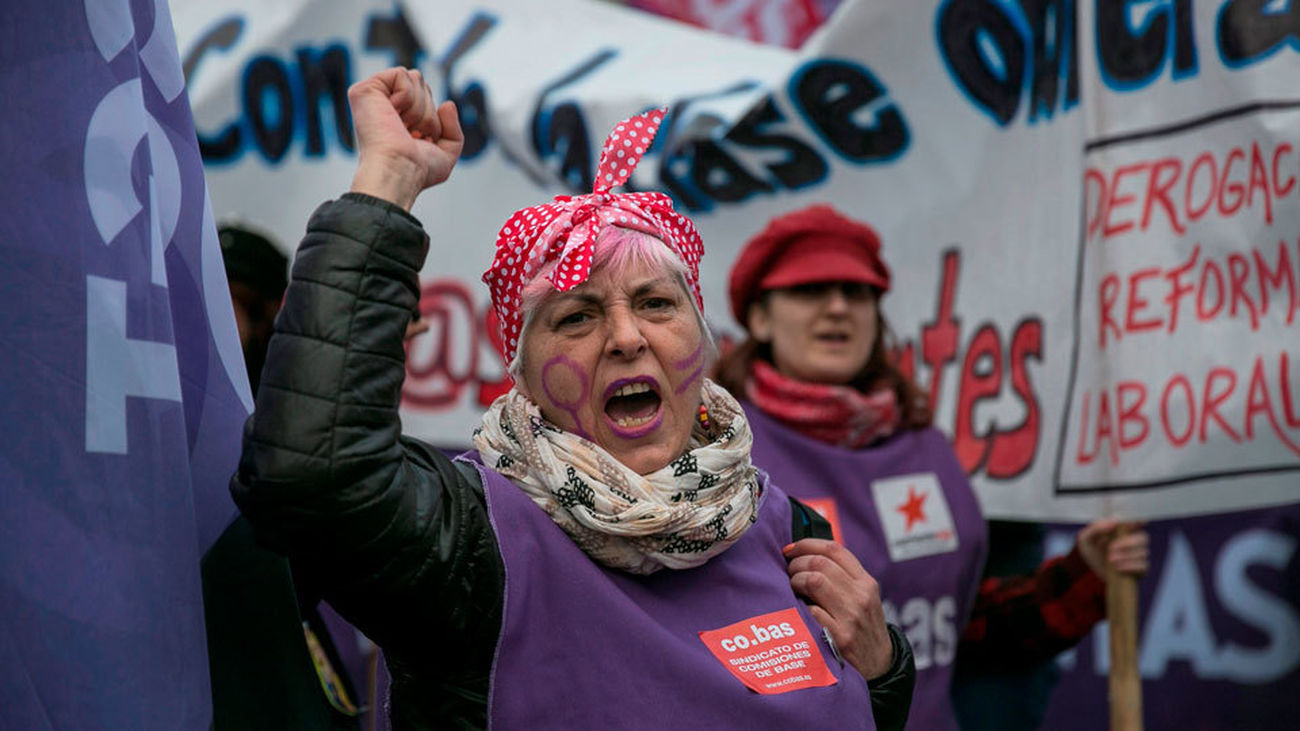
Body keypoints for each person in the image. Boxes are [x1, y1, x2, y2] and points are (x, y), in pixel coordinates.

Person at [232, 67, 916, 730]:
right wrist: (390, 179)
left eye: (655, 303)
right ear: (524, 377)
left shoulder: (786, 529)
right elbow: (314, 470)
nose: (625, 336)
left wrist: (883, 671)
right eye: (577, 316)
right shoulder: (473, 544)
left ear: (702, 340)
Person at [715, 204, 1150, 731]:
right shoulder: (720, 449)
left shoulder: (923, 446)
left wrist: (1081, 577)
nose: (837, 307)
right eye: (810, 290)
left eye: (857, 292)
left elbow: (959, 628)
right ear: (758, 317)